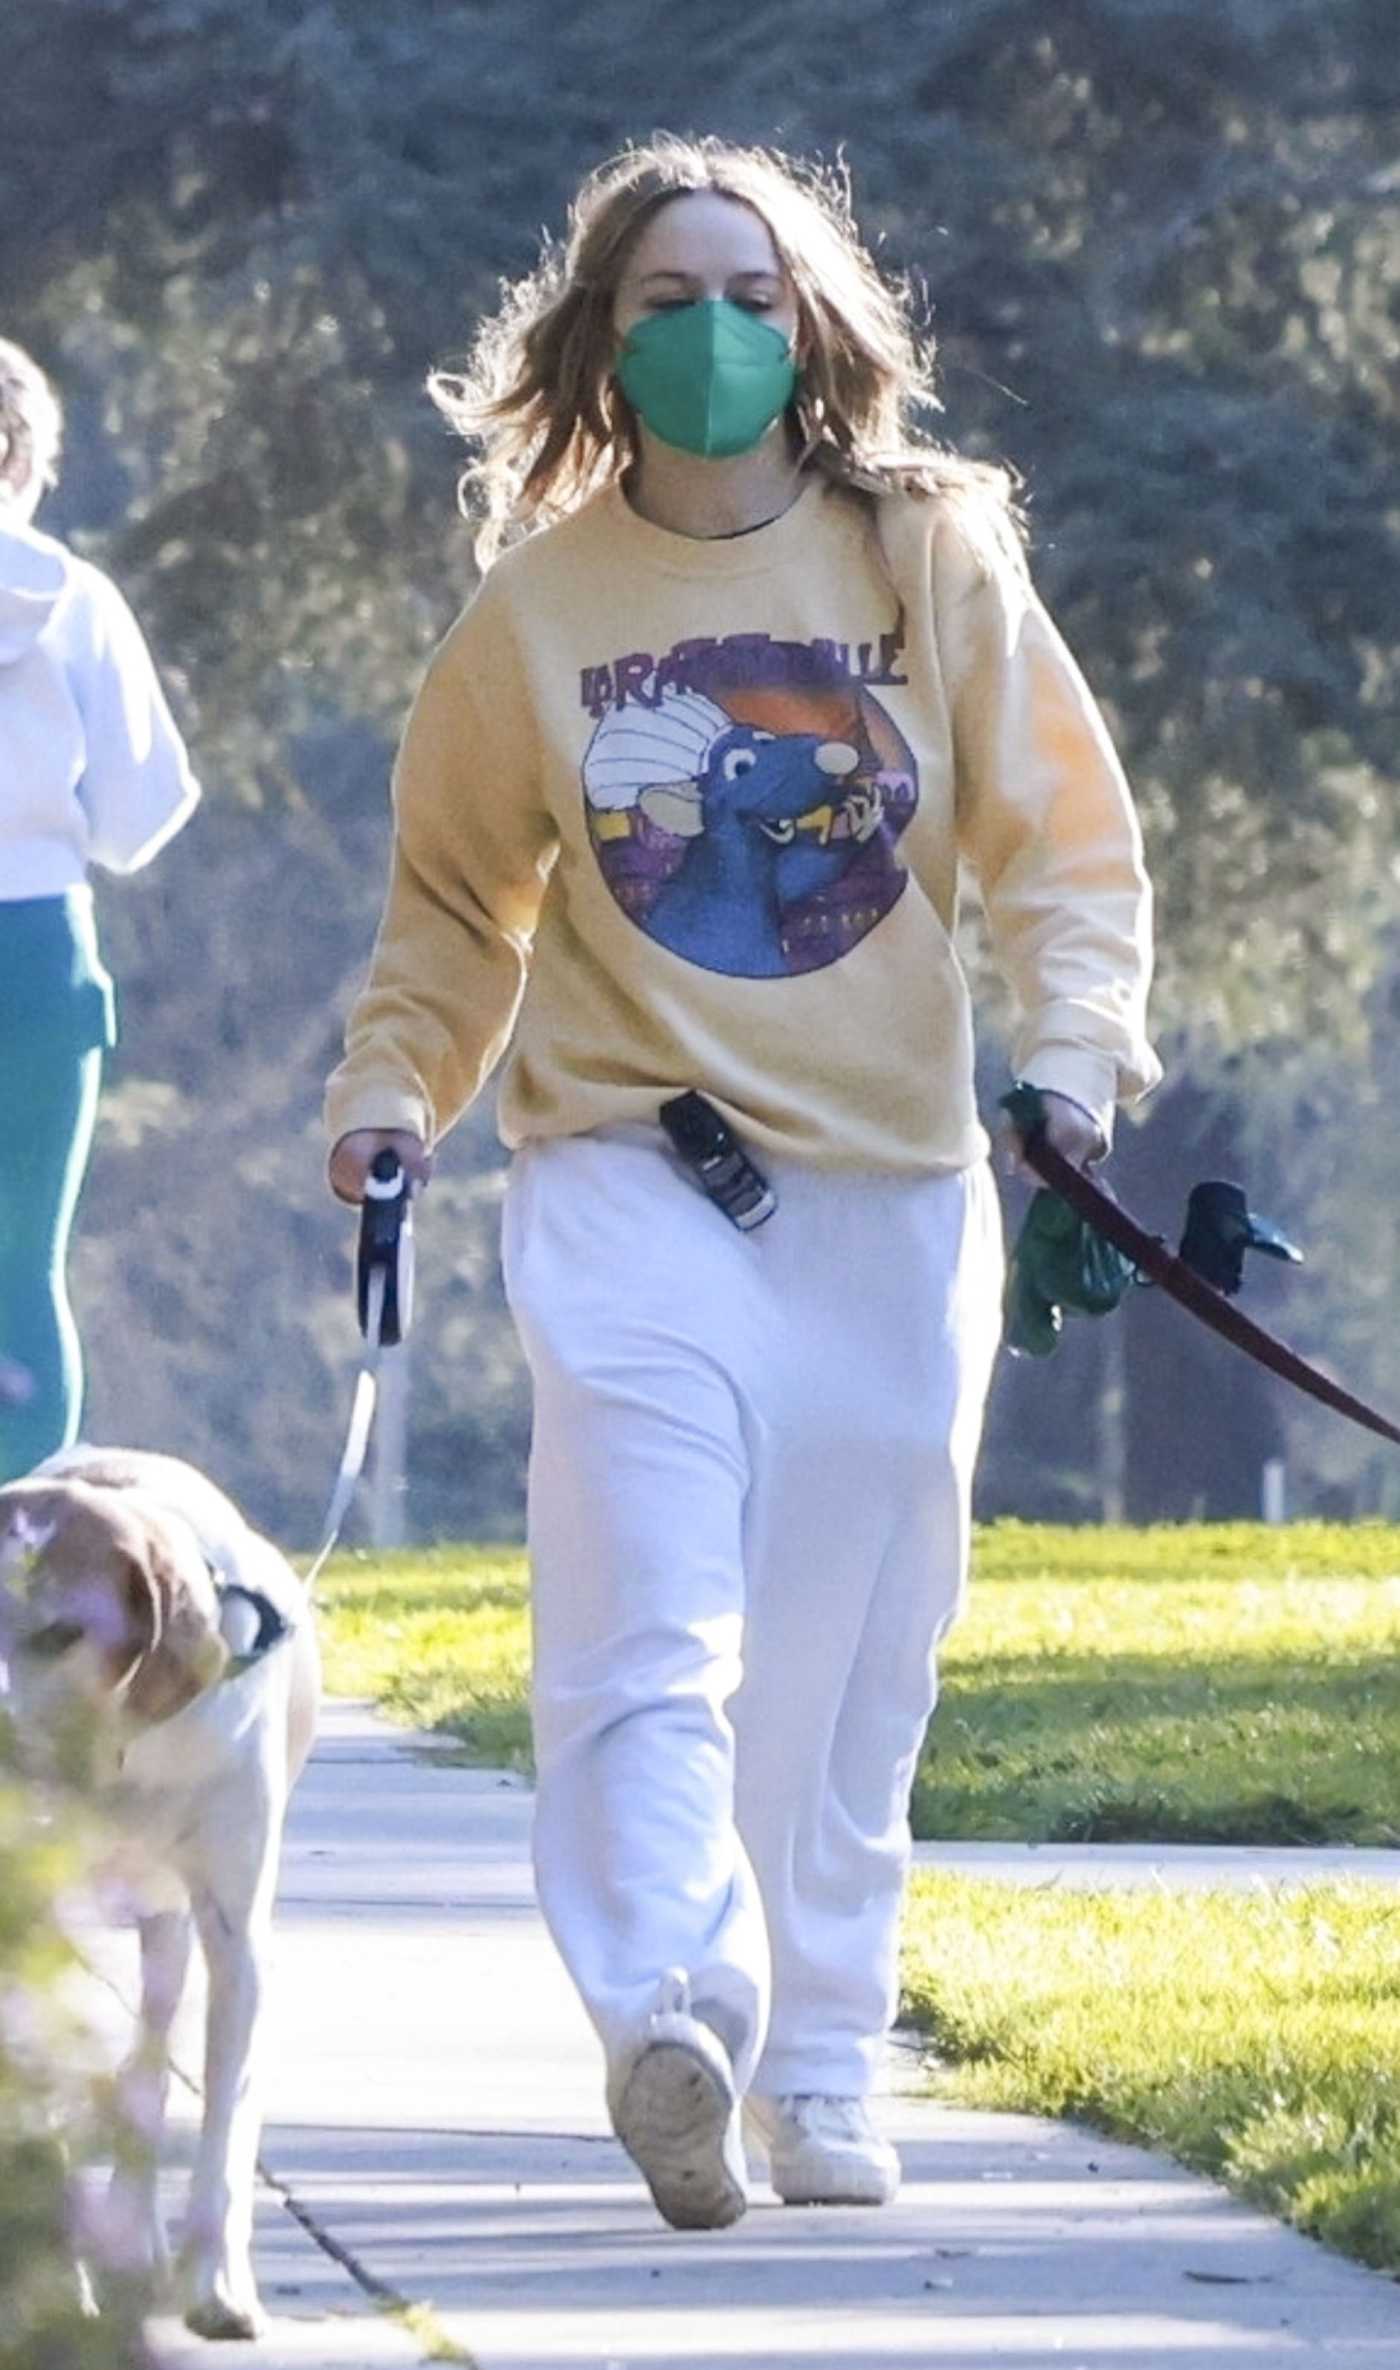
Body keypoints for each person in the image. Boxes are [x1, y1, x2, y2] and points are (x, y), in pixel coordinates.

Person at [325, 135, 1159, 2231]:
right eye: (668, 300)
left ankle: (819, 2054)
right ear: (605, 339)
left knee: (855, 1660)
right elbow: (454, 914)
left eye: (751, 295)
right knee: (646, 1626)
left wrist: (1071, 1065)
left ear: (816, 327)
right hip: (627, 1177)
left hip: (888, 1195)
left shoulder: (930, 562)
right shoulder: (537, 617)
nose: (713, 334)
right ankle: (667, 2017)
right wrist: (391, 1091)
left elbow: (1063, 850)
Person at [0, 338, 199, 1484]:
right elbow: (137, 815)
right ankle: (22, 1545)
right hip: (34, 954)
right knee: (22, 1270)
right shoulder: (72, 601)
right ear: (22, 455)